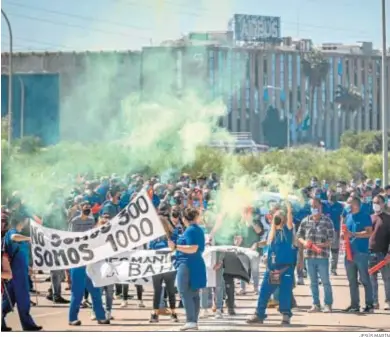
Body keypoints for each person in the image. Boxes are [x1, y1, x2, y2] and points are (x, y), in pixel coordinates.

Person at [246, 203, 295, 325]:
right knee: (264, 291)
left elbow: (289, 221)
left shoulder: (287, 230)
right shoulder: (272, 231)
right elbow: (267, 242)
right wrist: (257, 244)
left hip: (285, 268)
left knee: (285, 292)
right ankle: (259, 315)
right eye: (276, 217)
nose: (277, 219)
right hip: (273, 269)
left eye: (280, 217)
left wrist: (288, 210)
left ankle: (286, 315)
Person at [68, 201, 109, 326]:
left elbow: (93, 235)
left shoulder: (91, 220)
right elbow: (70, 238)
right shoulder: (74, 221)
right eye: (85, 207)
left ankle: (101, 317)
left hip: (89, 261)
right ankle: (72, 318)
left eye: (89, 207)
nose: (87, 209)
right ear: (80, 208)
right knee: (77, 292)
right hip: (78, 260)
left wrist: (99, 227)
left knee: (95, 290)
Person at [168, 207, 206, 331]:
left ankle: (191, 320)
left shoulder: (190, 230)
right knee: (193, 293)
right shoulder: (197, 229)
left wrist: (176, 247)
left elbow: (193, 248)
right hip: (194, 264)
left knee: (184, 291)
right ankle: (193, 321)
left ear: (184, 219)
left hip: (187, 264)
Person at [1, 215, 42, 331]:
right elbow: (14, 237)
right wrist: (29, 238)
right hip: (16, 274)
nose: (26, 224)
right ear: (21, 222)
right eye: (25, 221)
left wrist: (27, 267)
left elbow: (19, 254)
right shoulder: (12, 232)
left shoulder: (16, 233)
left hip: (18, 272)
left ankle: (1, 324)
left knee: (7, 302)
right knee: (23, 300)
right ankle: (28, 326)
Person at [297, 198, 334, 313]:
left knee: (325, 281)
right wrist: (305, 243)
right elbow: (299, 236)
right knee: (312, 282)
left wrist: (319, 245)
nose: (314, 208)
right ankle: (315, 304)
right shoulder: (305, 221)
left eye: (316, 206)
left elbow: (331, 239)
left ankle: (328, 304)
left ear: (320, 207)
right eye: (312, 206)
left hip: (322, 256)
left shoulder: (327, 221)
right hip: (309, 256)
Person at [343, 196, 374, 313]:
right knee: (352, 280)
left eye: (349, 203)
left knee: (364, 279)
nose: (347, 205)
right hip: (349, 253)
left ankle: (369, 305)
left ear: (356, 204)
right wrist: (344, 236)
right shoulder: (348, 216)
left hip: (361, 253)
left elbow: (369, 233)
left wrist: (354, 234)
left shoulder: (365, 216)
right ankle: (354, 305)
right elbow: (346, 232)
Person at [149, 216, 179, 323]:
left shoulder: (173, 234)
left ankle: (174, 313)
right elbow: (152, 246)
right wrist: (165, 244)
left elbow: (176, 245)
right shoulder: (153, 235)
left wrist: (170, 245)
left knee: (171, 290)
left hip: (169, 266)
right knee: (157, 291)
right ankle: (155, 313)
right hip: (156, 266)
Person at [369, 195, 390, 310]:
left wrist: (389, 253)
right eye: (374, 202)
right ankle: (374, 301)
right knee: (372, 279)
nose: (375, 204)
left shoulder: (388, 219)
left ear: (383, 203)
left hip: (384, 254)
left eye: (378, 202)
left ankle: (388, 301)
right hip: (370, 253)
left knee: (387, 279)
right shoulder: (370, 217)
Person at [322, 189, 344, 276]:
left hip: (335, 230)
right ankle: (324, 269)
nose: (331, 195)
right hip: (324, 231)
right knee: (324, 250)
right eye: (329, 193)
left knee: (334, 251)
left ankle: (333, 269)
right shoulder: (323, 204)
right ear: (327, 194)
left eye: (333, 193)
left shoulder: (339, 206)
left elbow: (342, 218)